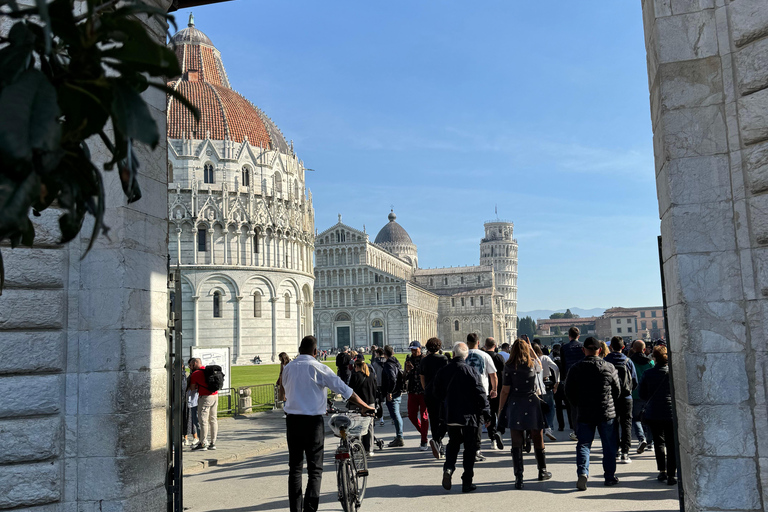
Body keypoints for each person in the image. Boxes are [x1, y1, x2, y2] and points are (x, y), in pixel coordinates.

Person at [281, 336, 373, 512]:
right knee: (315, 469)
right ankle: (309, 509)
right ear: (315, 352)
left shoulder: (288, 368)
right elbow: (345, 390)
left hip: (292, 421)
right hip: (312, 422)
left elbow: (285, 389)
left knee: (295, 469)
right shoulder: (319, 367)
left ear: (300, 349)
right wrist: (365, 406)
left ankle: (295, 510)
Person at [432, 342, 490, 493]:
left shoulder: (443, 371)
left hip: (451, 414)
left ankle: (449, 469)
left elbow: (436, 393)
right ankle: (467, 481)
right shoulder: (471, 371)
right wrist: (487, 411)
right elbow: (481, 393)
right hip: (469, 416)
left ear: (453, 354)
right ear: (466, 356)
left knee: (453, 444)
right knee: (469, 449)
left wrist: (446, 402)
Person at [565, 337, 621, 490]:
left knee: (584, 444)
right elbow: (617, 390)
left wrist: (577, 403)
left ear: (583, 350)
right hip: (606, 411)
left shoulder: (576, 368)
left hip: (584, 411)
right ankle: (609, 476)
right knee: (609, 445)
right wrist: (610, 401)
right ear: (600, 350)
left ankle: (583, 472)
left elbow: (568, 391)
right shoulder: (609, 367)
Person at [498, 339, 552, 489]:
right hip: (532, 401)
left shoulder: (508, 366)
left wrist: (501, 409)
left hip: (516, 402)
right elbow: (540, 367)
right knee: (537, 436)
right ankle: (542, 470)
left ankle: (519, 477)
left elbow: (505, 390)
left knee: (516, 440)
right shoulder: (533, 363)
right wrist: (531, 349)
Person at [639, 345, 677, 485]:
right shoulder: (673, 373)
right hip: (670, 412)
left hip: (654, 412)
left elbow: (642, 394)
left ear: (654, 358)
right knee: (671, 444)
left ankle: (662, 471)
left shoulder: (648, 374)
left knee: (658, 442)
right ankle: (672, 474)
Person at [604, 336, 638, 463]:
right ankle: (625, 452)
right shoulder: (628, 361)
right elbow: (634, 381)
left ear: (611, 347)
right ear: (623, 347)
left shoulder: (606, 360)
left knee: (612, 424)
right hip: (626, 396)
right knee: (627, 424)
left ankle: (615, 451)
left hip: (610, 397)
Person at [464, 333, 498, 461]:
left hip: (465, 392)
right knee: (478, 421)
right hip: (481, 392)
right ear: (478, 343)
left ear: (467, 343)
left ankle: (468, 446)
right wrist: (494, 389)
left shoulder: (463, 355)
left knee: (467, 420)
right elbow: (493, 375)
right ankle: (476, 449)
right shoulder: (485, 355)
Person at [420, 337, 450, 459]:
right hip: (441, 392)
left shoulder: (424, 360)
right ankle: (438, 440)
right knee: (445, 418)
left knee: (433, 418)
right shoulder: (444, 359)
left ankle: (437, 442)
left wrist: (426, 388)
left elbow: (422, 377)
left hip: (429, 393)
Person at [630, 340, 655, 453]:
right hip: (648, 394)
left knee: (636, 419)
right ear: (644, 350)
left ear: (633, 349)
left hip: (635, 394)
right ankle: (650, 442)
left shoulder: (629, 362)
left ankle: (641, 438)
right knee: (649, 418)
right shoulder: (650, 363)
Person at [349, 359, 378, 456]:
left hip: (358, 404)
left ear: (356, 367)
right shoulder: (371, 376)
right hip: (370, 403)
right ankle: (369, 449)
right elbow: (375, 390)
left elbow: (350, 391)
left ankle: (357, 447)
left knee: (356, 426)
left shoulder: (355, 376)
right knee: (369, 426)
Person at [405, 340, 430, 451]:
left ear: (420, 348)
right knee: (411, 416)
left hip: (423, 391)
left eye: (415, 349)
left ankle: (424, 440)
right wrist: (407, 370)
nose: (413, 351)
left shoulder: (425, 360)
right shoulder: (408, 360)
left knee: (424, 416)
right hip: (412, 391)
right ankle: (423, 433)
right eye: (412, 350)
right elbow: (404, 377)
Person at [189, 358, 218, 451]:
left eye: (190, 365)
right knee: (213, 419)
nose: (190, 367)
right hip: (215, 395)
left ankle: (203, 442)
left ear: (195, 363)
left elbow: (192, 388)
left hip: (205, 397)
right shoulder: (208, 371)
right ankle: (213, 443)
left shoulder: (196, 374)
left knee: (203, 420)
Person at [561, 327, 585, 441]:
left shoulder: (564, 348)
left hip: (570, 378)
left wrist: (562, 380)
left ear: (569, 336)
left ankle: (576, 430)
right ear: (578, 336)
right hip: (582, 378)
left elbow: (562, 365)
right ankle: (585, 428)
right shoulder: (583, 347)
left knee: (573, 406)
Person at [482, 337, 506, 450]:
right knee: (499, 411)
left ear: (485, 345)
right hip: (499, 389)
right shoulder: (499, 357)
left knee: (490, 414)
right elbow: (503, 373)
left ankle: (492, 439)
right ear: (495, 345)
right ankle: (500, 431)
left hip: (486, 389)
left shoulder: (482, 357)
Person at [533, 343, 560, 441]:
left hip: (533, 385)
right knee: (550, 407)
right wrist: (557, 381)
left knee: (536, 408)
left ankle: (536, 429)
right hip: (545, 383)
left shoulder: (528, 360)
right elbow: (556, 368)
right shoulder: (544, 358)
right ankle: (548, 427)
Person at [381, 345, 405, 447]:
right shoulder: (396, 362)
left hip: (393, 393)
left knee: (395, 415)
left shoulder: (388, 364)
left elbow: (392, 378)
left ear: (385, 354)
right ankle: (399, 436)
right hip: (398, 391)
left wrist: (389, 391)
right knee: (396, 414)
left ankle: (400, 437)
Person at [371, 348, 387, 427]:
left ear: (377, 353)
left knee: (377, 402)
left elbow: (373, 374)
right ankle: (393, 419)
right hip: (385, 384)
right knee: (387, 402)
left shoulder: (374, 363)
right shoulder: (387, 362)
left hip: (377, 384)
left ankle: (380, 418)